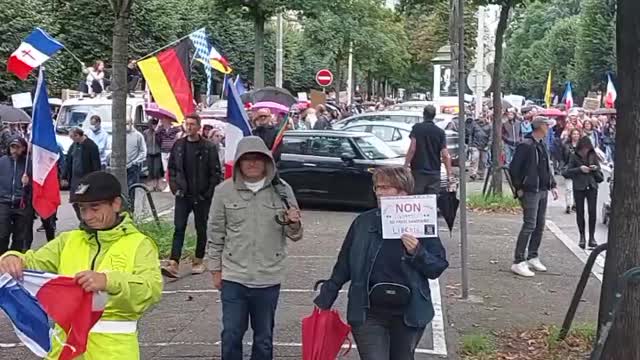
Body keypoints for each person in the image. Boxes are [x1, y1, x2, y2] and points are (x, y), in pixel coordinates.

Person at [0, 171, 162, 359]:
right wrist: (12, 258)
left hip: (113, 352)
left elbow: (150, 290)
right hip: (65, 350)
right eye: (82, 209)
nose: (87, 216)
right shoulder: (68, 240)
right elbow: (32, 262)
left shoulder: (139, 244)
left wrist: (109, 281)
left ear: (116, 204)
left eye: (95, 208)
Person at [314, 166, 448, 360]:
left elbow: (436, 267)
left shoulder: (421, 221)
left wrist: (417, 251)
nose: (379, 192)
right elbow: (344, 263)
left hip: (408, 313)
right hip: (368, 311)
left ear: (403, 191)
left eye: (386, 188)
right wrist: (327, 295)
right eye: (377, 187)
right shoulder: (363, 222)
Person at [207, 136, 303, 360]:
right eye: (246, 159)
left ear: (267, 161)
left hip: (268, 277)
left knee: (264, 338)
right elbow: (215, 233)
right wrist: (215, 270)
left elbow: (296, 235)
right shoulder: (224, 191)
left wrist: (293, 222)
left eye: (257, 159)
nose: (252, 164)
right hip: (234, 276)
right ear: (238, 162)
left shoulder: (282, 190)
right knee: (231, 334)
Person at [161, 114, 221, 278]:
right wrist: (175, 187)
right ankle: (174, 262)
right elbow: (172, 168)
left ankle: (199, 259)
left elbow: (215, 172)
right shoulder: (179, 145)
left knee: (201, 228)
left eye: (192, 124)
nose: (189, 127)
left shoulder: (208, 147)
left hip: (201, 195)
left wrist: (208, 192)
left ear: (198, 127)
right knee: (178, 227)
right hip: (183, 194)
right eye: (187, 124)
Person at [509, 117, 559, 277]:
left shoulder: (541, 145)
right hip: (529, 190)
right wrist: (518, 188)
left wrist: (552, 185)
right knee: (529, 224)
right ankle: (518, 261)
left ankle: (532, 255)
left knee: (539, 224)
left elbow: (545, 167)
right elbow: (514, 169)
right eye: (547, 125)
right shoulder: (526, 145)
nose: (549, 128)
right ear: (540, 127)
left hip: (542, 189)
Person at [562, 136, 602, 249]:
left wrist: (595, 169)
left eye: (587, 149)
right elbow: (566, 172)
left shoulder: (593, 156)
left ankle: (592, 237)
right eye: (583, 149)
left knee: (592, 212)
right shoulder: (574, 156)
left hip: (592, 186)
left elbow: (600, 177)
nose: (585, 151)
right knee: (580, 212)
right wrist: (579, 169)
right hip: (579, 187)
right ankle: (582, 237)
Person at [404, 105, 453, 194]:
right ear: (434, 116)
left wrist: (405, 165)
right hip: (434, 172)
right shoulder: (440, 132)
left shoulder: (417, 128)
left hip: (418, 171)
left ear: (424, 114)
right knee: (432, 201)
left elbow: (412, 149)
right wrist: (449, 174)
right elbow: (445, 155)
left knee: (417, 200)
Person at [0, 137, 33, 254]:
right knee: (2, 234)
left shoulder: (28, 163)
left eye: (17, 147)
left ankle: (14, 257)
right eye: (12, 147)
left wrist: (28, 183)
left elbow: (37, 186)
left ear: (23, 148)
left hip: (21, 203)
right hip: (4, 202)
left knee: (19, 237)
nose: (14, 150)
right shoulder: (2, 161)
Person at [63, 127, 101, 219]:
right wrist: (64, 177)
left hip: (85, 179)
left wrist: (94, 179)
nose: (71, 139)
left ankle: (87, 220)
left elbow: (96, 164)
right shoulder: (73, 146)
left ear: (78, 135)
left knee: (84, 201)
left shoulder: (91, 146)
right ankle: (82, 219)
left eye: (72, 137)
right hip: (75, 179)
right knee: (74, 201)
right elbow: (68, 161)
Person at [125, 119, 147, 208]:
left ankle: (131, 209)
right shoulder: (121, 135)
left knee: (131, 189)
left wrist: (135, 162)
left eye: (127, 123)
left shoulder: (138, 136)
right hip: (122, 166)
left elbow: (143, 151)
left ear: (131, 123)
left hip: (133, 167)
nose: (126, 126)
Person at [156, 116, 181, 191]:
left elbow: (177, 139)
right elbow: (157, 135)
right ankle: (168, 184)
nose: (163, 121)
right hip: (163, 150)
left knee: (170, 168)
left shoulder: (175, 129)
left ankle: (171, 185)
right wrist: (158, 125)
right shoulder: (161, 130)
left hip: (171, 150)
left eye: (164, 120)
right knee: (165, 169)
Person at [562, 129, 581, 214]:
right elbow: (563, 157)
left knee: (577, 188)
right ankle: (568, 205)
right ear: (571, 135)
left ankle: (575, 204)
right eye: (574, 134)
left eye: (577, 134)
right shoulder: (566, 145)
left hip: (579, 169)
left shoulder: (582, 146)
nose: (576, 136)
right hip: (569, 169)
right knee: (569, 189)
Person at [469, 115, 492, 181]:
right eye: (480, 117)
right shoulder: (474, 125)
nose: (481, 118)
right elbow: (471, 135)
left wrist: (488, 145)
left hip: (484, 145)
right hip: (475, 145)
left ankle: (481, 174)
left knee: (483, 161)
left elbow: (491, 137)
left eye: (482, 117)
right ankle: (473, 173)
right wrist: (470, 145)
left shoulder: (489, 126)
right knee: (475, 158)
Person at [144, 119, 164, 191]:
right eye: (152, 124)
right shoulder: (146, 133)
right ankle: (151, 186)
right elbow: (145, 142)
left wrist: (157, 133)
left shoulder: (159, 132)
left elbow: (161, 142)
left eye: (155, 124)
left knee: (157, 170)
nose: (153, 126)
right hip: (149, 153)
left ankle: (158, 185)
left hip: (157, 153)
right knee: (150, 170)